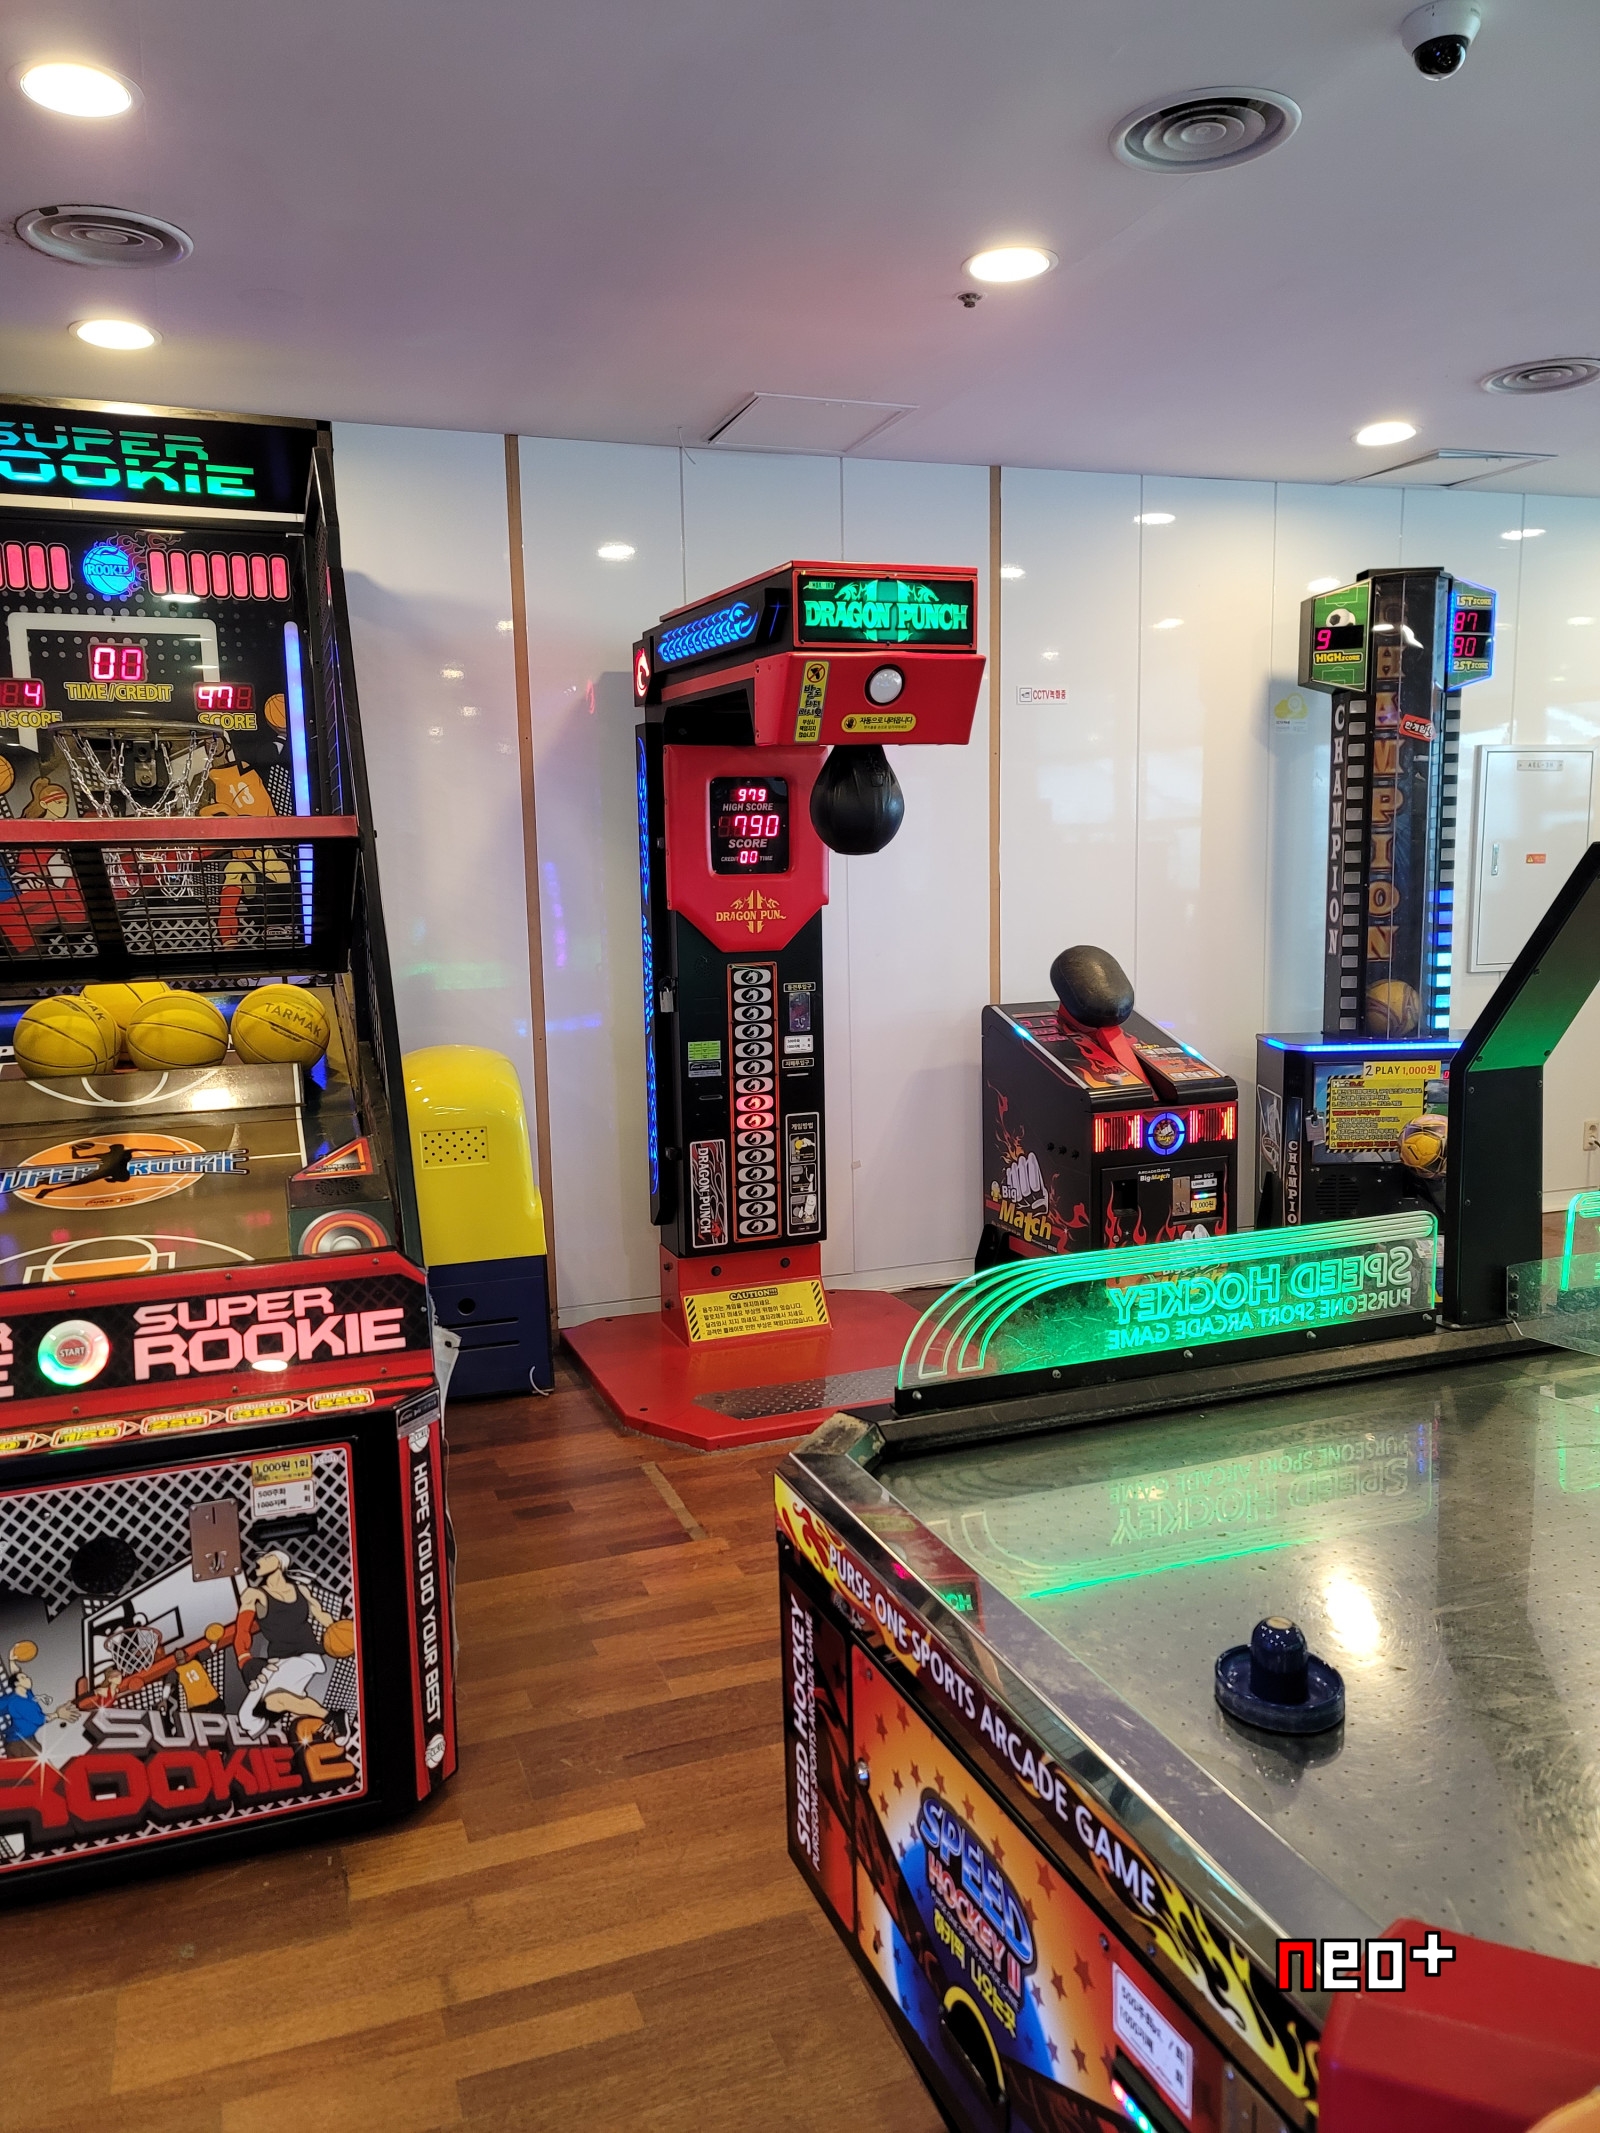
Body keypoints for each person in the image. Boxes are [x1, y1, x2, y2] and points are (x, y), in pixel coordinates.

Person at [235, 1552, 336, 1744]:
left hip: (308, 1655)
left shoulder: (301, 1590)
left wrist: (343, 1635)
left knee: (255, 1710)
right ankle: (333, 1718)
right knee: (267, 1705)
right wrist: (245, 1660)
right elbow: (242, 1631)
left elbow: (323, 1616)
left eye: (266, 1557)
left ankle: (331, 1719)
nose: (258, 1561)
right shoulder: (254, 1594)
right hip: (279, 1660)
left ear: (280, 1563)